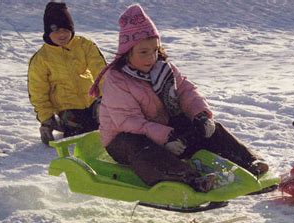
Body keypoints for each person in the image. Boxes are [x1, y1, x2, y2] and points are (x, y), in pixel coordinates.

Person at [89, 4, 268, 192]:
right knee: (143, 149)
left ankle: (249, 163)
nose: (151, 57)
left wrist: (201, 115)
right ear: (127, 52)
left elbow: (186, 92)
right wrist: (166, 136)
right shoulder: (117, 79)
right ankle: (188, 179)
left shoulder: (164, 69)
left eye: (154, 50)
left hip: (165, 130)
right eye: (143, 52)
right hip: (124, 139)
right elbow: (128, 121)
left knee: (209, 130)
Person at [28, 2, 106, 145]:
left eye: (65, 29)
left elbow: (101, 71)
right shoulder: (41, 59)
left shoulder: (84, 45)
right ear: (48, 32)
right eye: (56, 30)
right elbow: (38, 91)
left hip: (92, 100)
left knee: (108, 120)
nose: (62, 34)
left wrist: (107, 96)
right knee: (82, 132)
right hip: (67, 107)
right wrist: (46, 119)